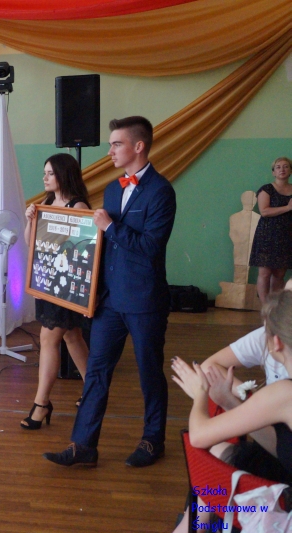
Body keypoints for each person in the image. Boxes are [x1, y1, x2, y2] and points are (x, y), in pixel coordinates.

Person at [44, 116, 177, 468]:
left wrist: (109, 226)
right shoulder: (113, 189)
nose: (110, 151)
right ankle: (83, 445)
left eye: (117, 144)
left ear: (139, 146)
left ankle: (153, 440)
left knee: (150, 373)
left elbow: (150, 247)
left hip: (145, 299)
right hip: (109, 300)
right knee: (96, 371)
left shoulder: (162, 191)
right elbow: (101, 245)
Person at [171, 288, 292, 532]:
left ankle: (192, 526)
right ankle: (193, 524)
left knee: (213, 464)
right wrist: (229, 402)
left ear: (277, 341)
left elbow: (199, 435)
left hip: (284, 507)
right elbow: (281, 447)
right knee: (220, 453)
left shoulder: (283, 394)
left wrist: (200, 394)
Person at [20, 153, 89, 430]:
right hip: (47, 281)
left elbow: (85, 249)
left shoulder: (78, 206)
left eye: (50, 173)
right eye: (44, 173)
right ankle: (94, 389)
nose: (45, 178)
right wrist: (30, 220)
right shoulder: (47, 203)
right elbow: (31, 243)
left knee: (48, 338)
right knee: (72, 336)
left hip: (65, 285)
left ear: (63, 174)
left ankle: (41, 403)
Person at [248, 156, 292, 305]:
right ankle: (265, 308)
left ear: (290, 171)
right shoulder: (267, 189)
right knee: (265, 272)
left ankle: (275, 308)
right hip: (267, 234)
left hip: (287, 235)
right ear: (273, 172)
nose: (282, 169)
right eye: (278, 167)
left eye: (286, 166)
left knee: (279, 274)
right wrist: (287, 207)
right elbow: (264, 211)